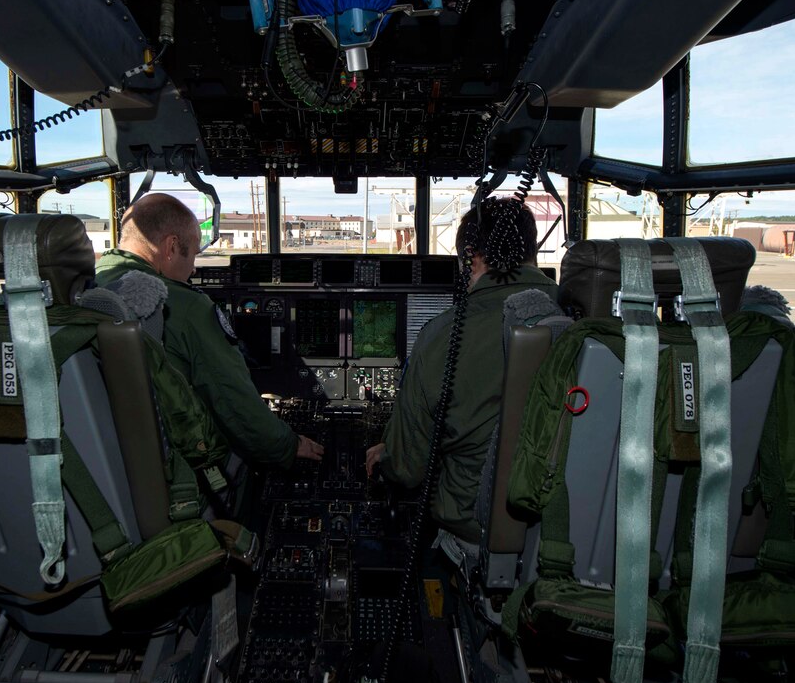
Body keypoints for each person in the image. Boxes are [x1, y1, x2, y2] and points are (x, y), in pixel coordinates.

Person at [365, 197, 559, 543]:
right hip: (567, 528)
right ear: (532, 251)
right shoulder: (579, 315)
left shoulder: (443, 336)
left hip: (476, 529)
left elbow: (408, 470)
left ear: (472, 258)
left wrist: (388, 457)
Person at [96, 194, 324, 471]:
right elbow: (232, 400)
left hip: (112, 458)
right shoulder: (183, 304)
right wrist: (287, 444)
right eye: (192, 254)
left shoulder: (88, 289)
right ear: (171, 246)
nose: (193, 268)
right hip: (180, 465)